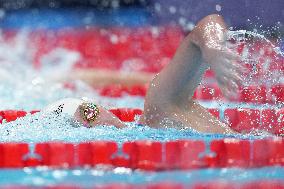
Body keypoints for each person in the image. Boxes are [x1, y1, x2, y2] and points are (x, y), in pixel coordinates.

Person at [43, 14, 244, 134]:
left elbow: (208, 23)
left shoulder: (159, 109)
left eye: (90, 109)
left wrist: (212, 46)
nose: (98, 118)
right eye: (88, 116)